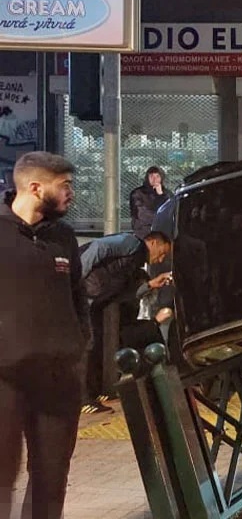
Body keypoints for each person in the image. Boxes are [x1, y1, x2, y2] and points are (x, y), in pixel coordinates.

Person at [0, 151, 86, 519]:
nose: (71, 193)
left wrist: (81, 346)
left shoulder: (63, 237)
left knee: (51, 479)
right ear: (35, 187)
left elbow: (79, 300)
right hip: (4, 380)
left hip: (58, 379)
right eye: (64, 185)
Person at [77, 231, 173, 413]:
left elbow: (125, 293)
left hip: (97, 300)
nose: (160, 259)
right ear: (152, 242)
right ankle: (83, 398)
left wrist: (151, 285)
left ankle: (95, 391)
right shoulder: (131, 242)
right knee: (87, 346)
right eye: (162, 252)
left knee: (97, 345)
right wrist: (76, 277)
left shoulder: (134, 265)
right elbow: (99, 247)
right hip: (87, 296)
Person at [129, 166, 173, 239]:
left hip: (163, 231)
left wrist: (161, 195)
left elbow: (170, 212)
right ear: (147, 178)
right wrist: (162, 219)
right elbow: (142, 215)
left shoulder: (167, 194)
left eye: (157, 176)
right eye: (151, 176)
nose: (154, 179)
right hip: (143, 231)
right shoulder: (138, 193)